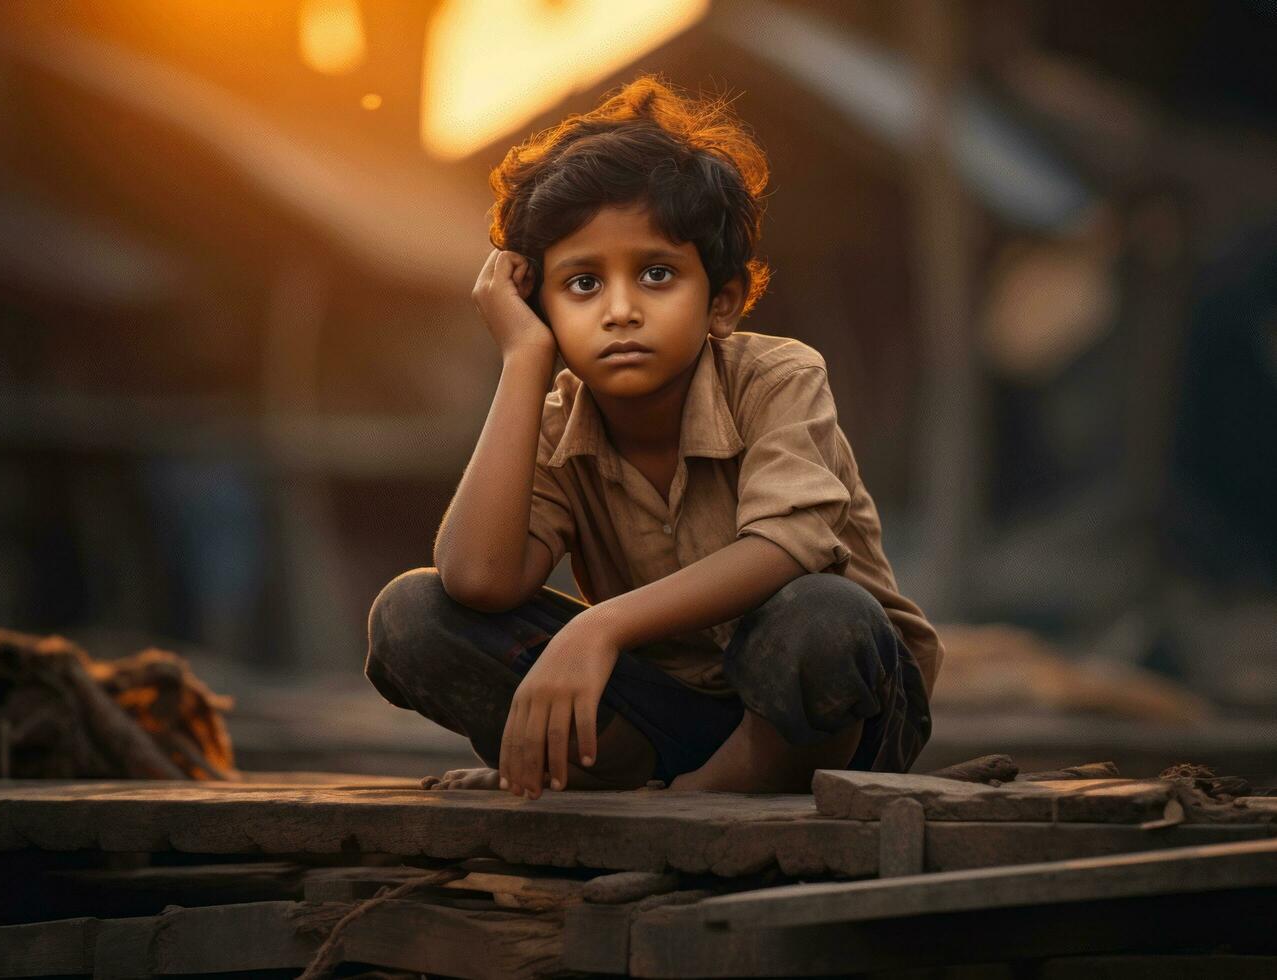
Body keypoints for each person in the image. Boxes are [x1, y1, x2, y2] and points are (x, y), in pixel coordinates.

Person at [365, 74, 943, 800]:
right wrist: (521, 363)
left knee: (824, 612)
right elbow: (479, 581)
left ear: (722, 302)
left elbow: (788, 547)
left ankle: (727, 785)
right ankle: (622, 770)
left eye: (657, 274)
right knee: (412, 615)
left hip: (833, 722)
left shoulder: (775, 376)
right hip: (665, 716)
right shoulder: (552, 423)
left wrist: (596, 629)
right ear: (534, 305)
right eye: (581, 285)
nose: (620, 310)